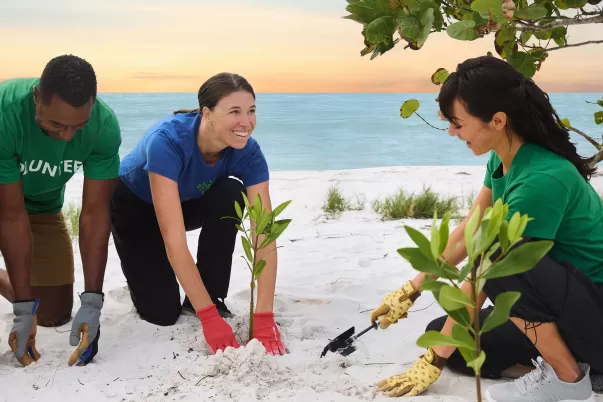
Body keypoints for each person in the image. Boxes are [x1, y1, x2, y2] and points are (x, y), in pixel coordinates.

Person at [369, 56, 603, 401]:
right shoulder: (503, 156)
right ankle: (582, 368)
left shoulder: (542, 180)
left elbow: (487, 271)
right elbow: (471, 226)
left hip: (592, 309)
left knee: (494, 257)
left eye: (458, 123)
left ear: (497, 120)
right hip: (559, 303)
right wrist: (411, 289)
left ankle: (567, 378)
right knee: (452, 340)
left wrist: (432, 360)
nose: (452, 132)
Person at [110, 72, 285, 356]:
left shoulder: (249, 153)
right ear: (207, 113)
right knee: (162, 313)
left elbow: (264, 233)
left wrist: (264, 316)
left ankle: (208, 295)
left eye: (251, 111)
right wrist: (209, 319)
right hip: (136, 209)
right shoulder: (166, 142)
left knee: (231, 192)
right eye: (235, 112)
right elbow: (175, 243)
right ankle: (147, 274)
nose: (246, 122)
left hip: (187, 201)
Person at [0, 55, 121, 367]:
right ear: (37, 97)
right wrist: (22, 311)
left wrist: (92, 303)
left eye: (78, 126)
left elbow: (94, 214)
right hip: (6, 203)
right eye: (56, 124)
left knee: (53, 314)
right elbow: (10, 216)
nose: (67, 136)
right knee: (30, 307)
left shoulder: (104, 126)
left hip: (42, 206)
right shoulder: (5, 112)